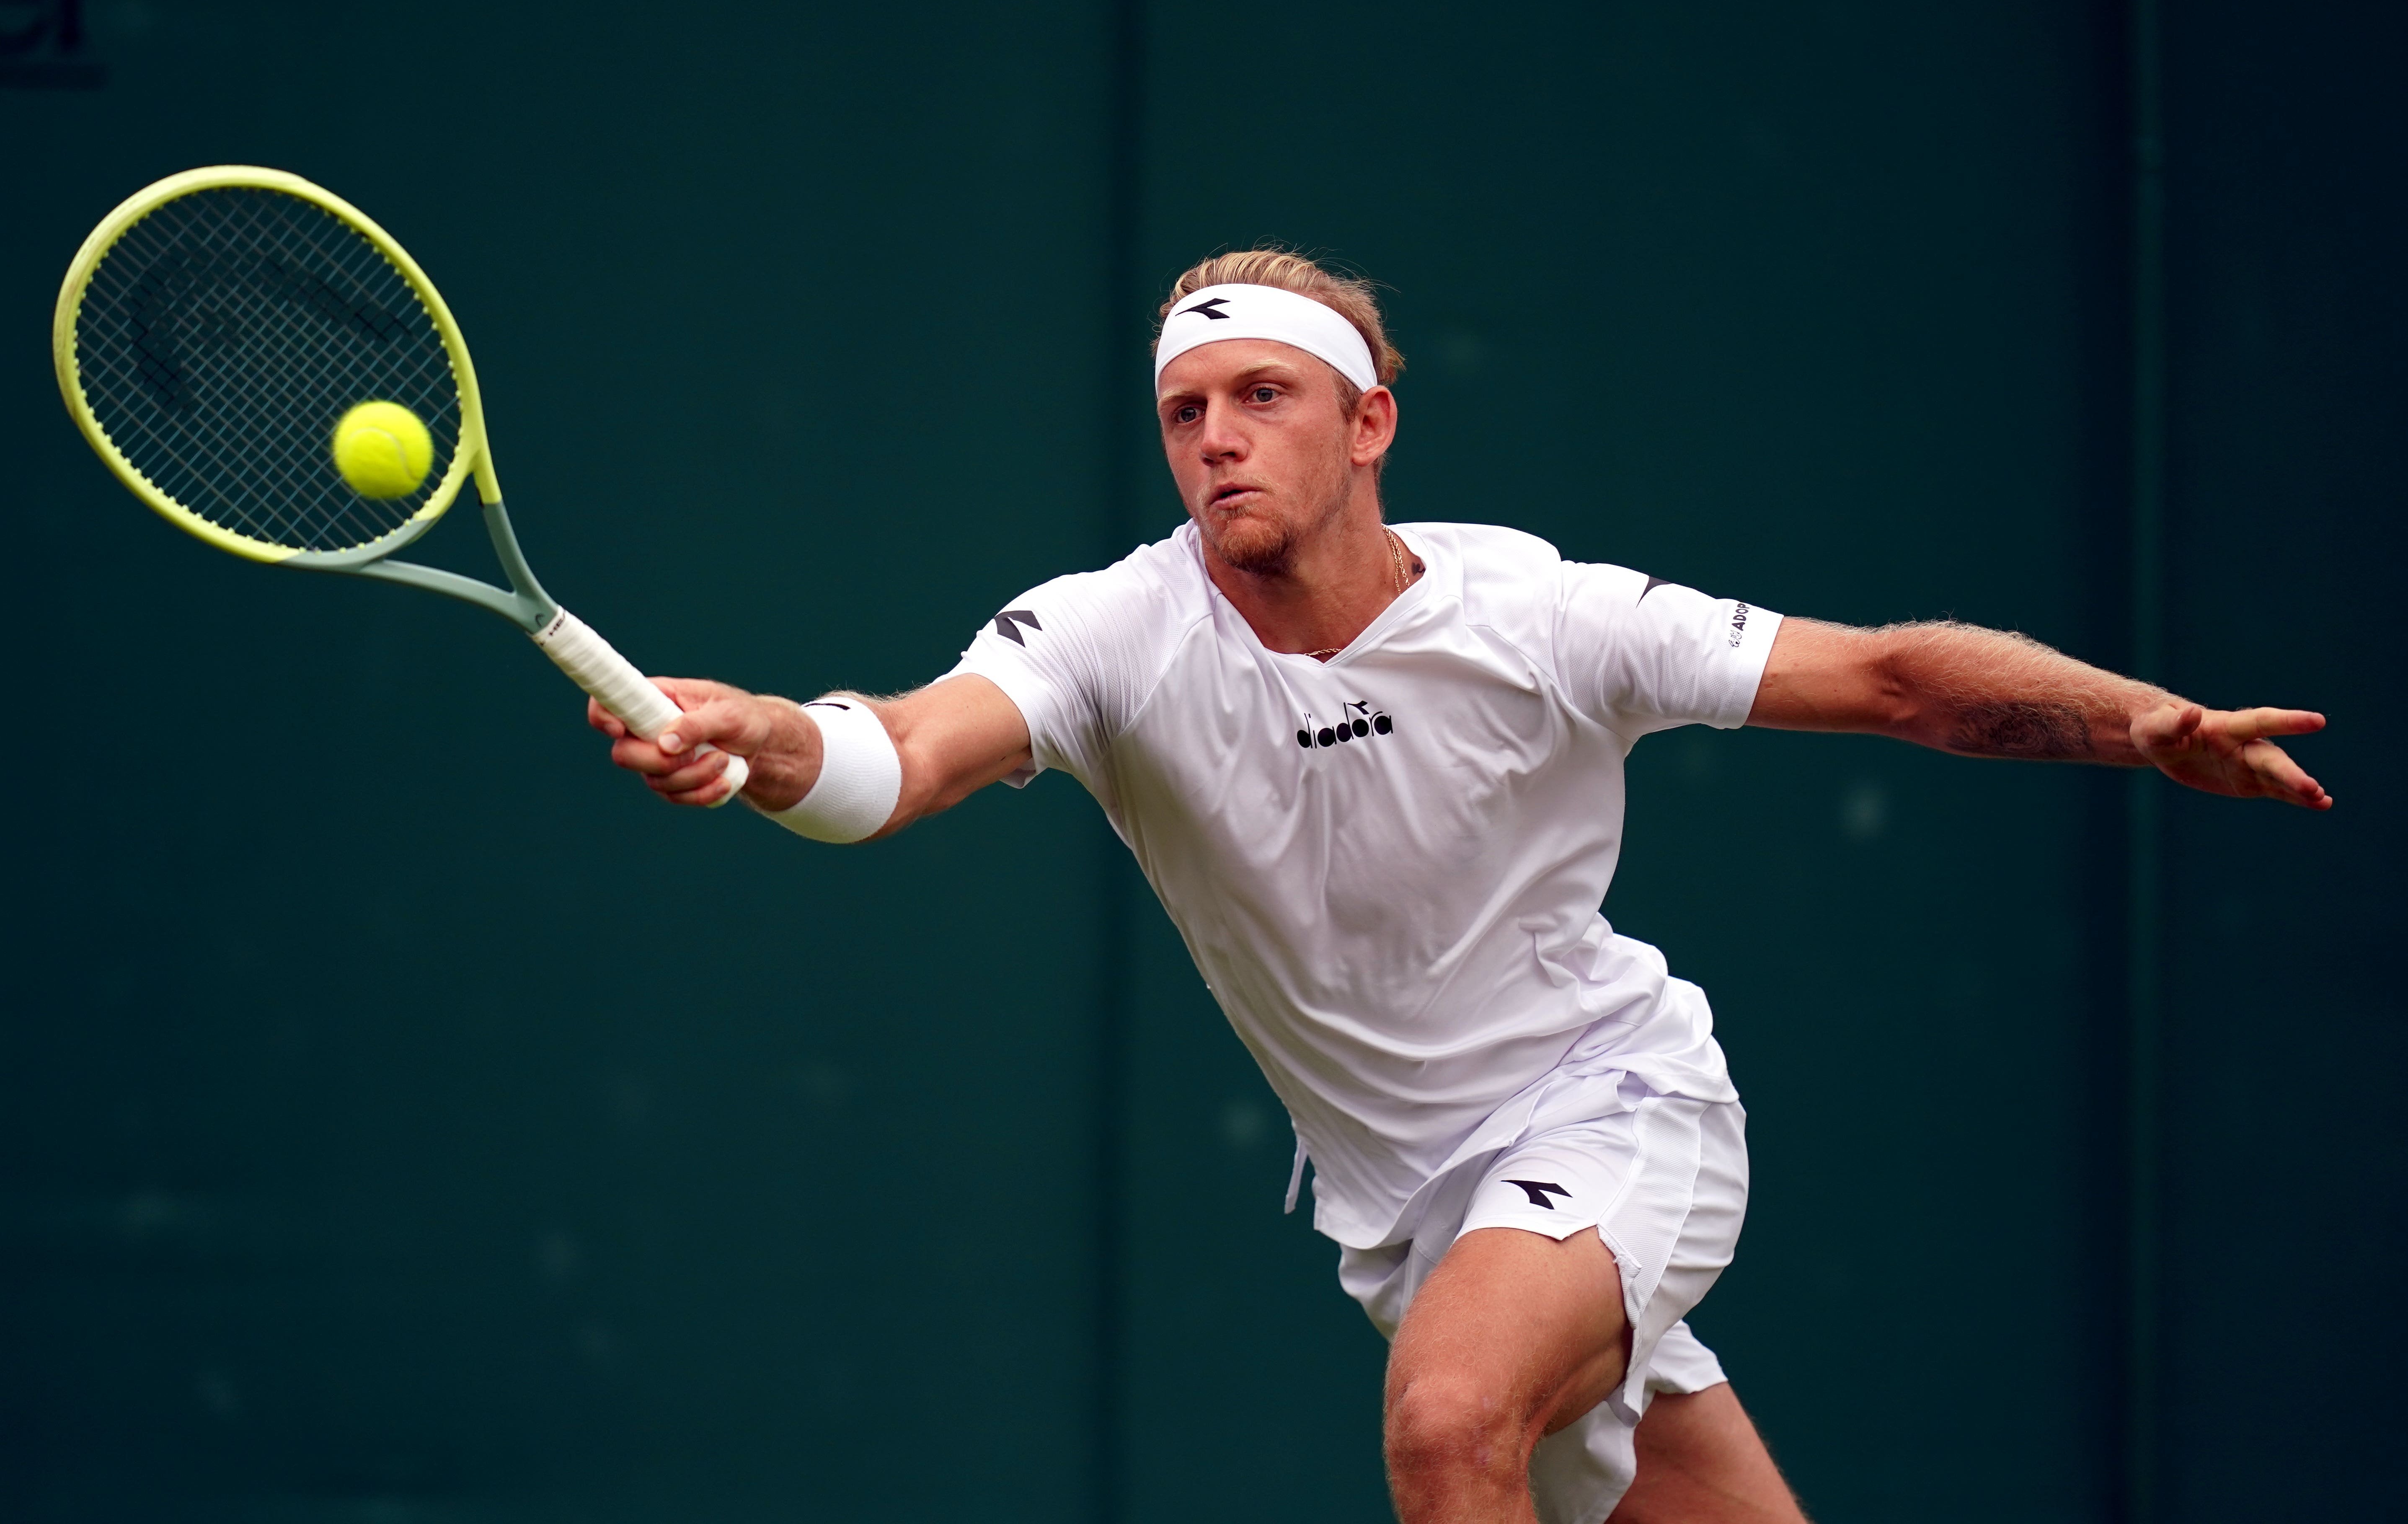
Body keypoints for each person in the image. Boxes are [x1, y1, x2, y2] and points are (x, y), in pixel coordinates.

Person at [588, 251, 2330, 1524]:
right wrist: (766, 746)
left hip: (1614, 1103)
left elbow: (1887, 675)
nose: (1215, 441)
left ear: (1371, 422)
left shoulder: (1547, 619)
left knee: (1446, 1424)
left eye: (1261, 397)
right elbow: (903, 756)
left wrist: (2143, 723)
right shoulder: (1115, 626)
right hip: (1409, 1213)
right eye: (1185, 412)